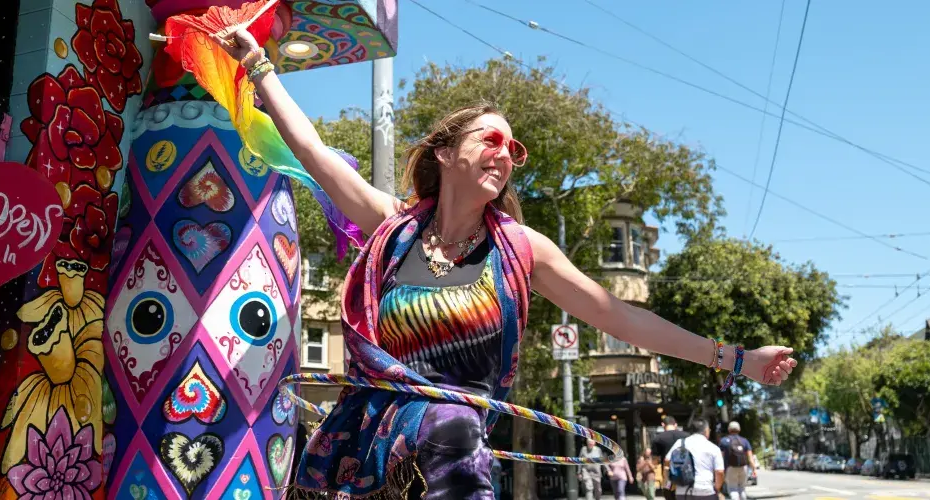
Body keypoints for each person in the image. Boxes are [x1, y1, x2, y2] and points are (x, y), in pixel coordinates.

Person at [212, 28, 799, 500]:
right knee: (446, 430)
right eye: (490, 140)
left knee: (452, 426)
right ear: (446, 153)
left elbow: (619, 317)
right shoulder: (392, 227)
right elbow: (312, 151)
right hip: (379, 433)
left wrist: (736, 358)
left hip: (455, 443)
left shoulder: (521, 249)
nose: (505, 155)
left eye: (513, 149)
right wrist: (259, 66)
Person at [666, 420, 724, 500]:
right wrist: (717, 488)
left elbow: (667, 460)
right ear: (706, 430)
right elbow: (720, 472)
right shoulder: (714, 448)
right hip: (706, 489)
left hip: (683, 490)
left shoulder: (680, 443)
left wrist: (668, 483)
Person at [653, 417, 690, 500]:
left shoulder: (658, 438)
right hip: (686, 474)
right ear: (675, 425)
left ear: (663, 425)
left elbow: (655, 460)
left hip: (668, 475)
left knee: (669, 496)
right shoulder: (687, 436)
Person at [718, 421, 755, 500]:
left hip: (730, 468)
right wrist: (753, 469)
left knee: (733, 489)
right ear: (739, 429)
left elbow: (720, 458)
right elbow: (750, 458)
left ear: (729, 430)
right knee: (742, 489)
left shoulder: (724, 441)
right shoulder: (744, 441)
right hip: (743, 467)